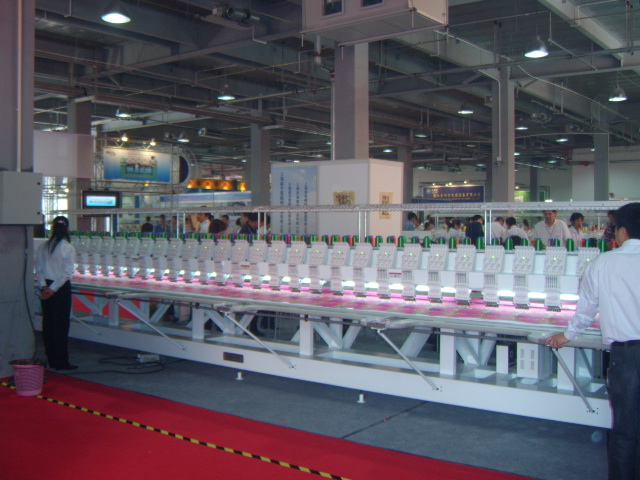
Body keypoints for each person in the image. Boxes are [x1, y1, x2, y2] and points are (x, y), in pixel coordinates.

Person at [545, 202, 640, 479]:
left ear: (622, 231)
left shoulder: (604, 262)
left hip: (627, 357)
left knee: (625, 429)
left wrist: (567, 335)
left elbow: (586, 309)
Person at [35, 216, 77, 371]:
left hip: (46, 286)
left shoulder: (43, 246)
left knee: (48, 324)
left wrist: (44, 287)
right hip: (60, 289)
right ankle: (61, 362)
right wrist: (53, 289)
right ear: (66, 228)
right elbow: (66, 273)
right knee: (60, 325)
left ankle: (51, 359)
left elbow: (39, 270)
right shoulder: (67, 247)